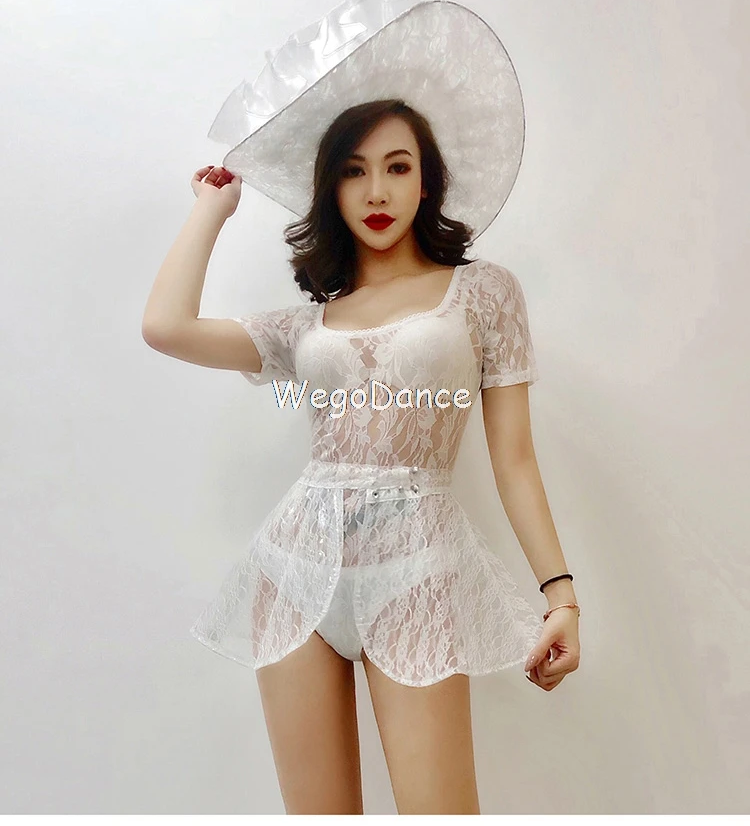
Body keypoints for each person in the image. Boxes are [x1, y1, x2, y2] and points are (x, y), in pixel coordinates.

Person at [142, 98, 580, 815]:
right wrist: (211, 211)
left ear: (427, 183)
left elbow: (516, 460)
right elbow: (165, 326)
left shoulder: (483, 293)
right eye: (353, 171)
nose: (376, 191)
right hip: (294, 570)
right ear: (332, 190)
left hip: (416, 571)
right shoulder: (305, 324)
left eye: (397, 167)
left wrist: (560, 595)